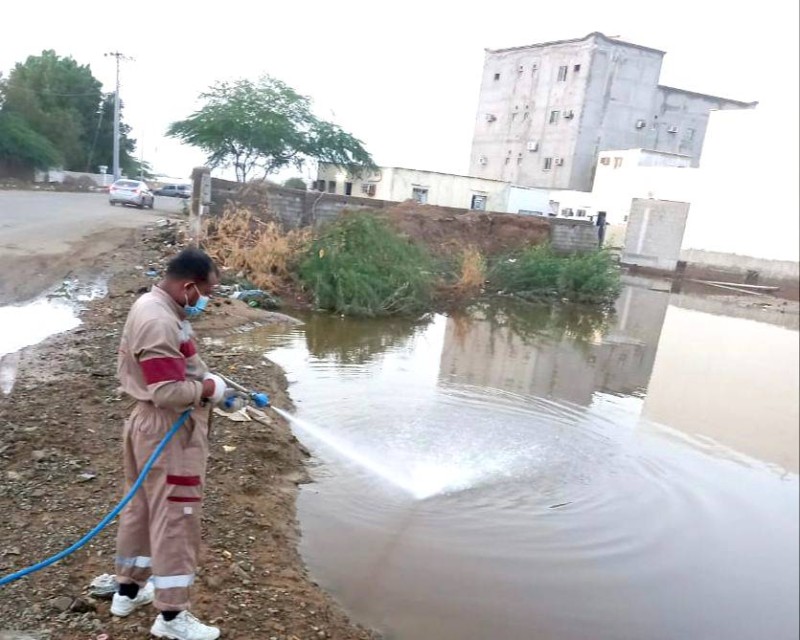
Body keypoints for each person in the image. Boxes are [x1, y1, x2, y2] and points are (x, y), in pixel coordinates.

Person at [109, 247, 229, 640]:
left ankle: (128, 590)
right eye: (208, 290)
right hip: (167, 429)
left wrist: (205, 380)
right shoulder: (159, 320)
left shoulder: (154, 303)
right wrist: (208, 388)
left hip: (148, 425)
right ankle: (173, 617)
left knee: (142, 509)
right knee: (177, 519)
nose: (209, 299)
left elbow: (174, 369)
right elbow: (166, 391)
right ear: (189, 286)